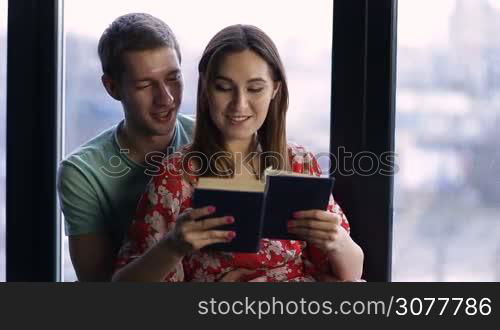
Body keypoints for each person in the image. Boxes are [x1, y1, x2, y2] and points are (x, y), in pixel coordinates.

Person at [112, 24, 364, 282]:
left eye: (255, 89)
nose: (239, 105)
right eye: (224, 87)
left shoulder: (299, 162)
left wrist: (338, 240)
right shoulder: (175, 178)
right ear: (206, 89)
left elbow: (351, 274)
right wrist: (173, 246)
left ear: (275, 90)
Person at [56, 13, 195, 281]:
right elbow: (99, 292)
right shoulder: (83, 174)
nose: (165, 98)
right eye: (145, 85)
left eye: (173, 78)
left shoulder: (212, 136)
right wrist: (173, 248)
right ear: (112, 87)